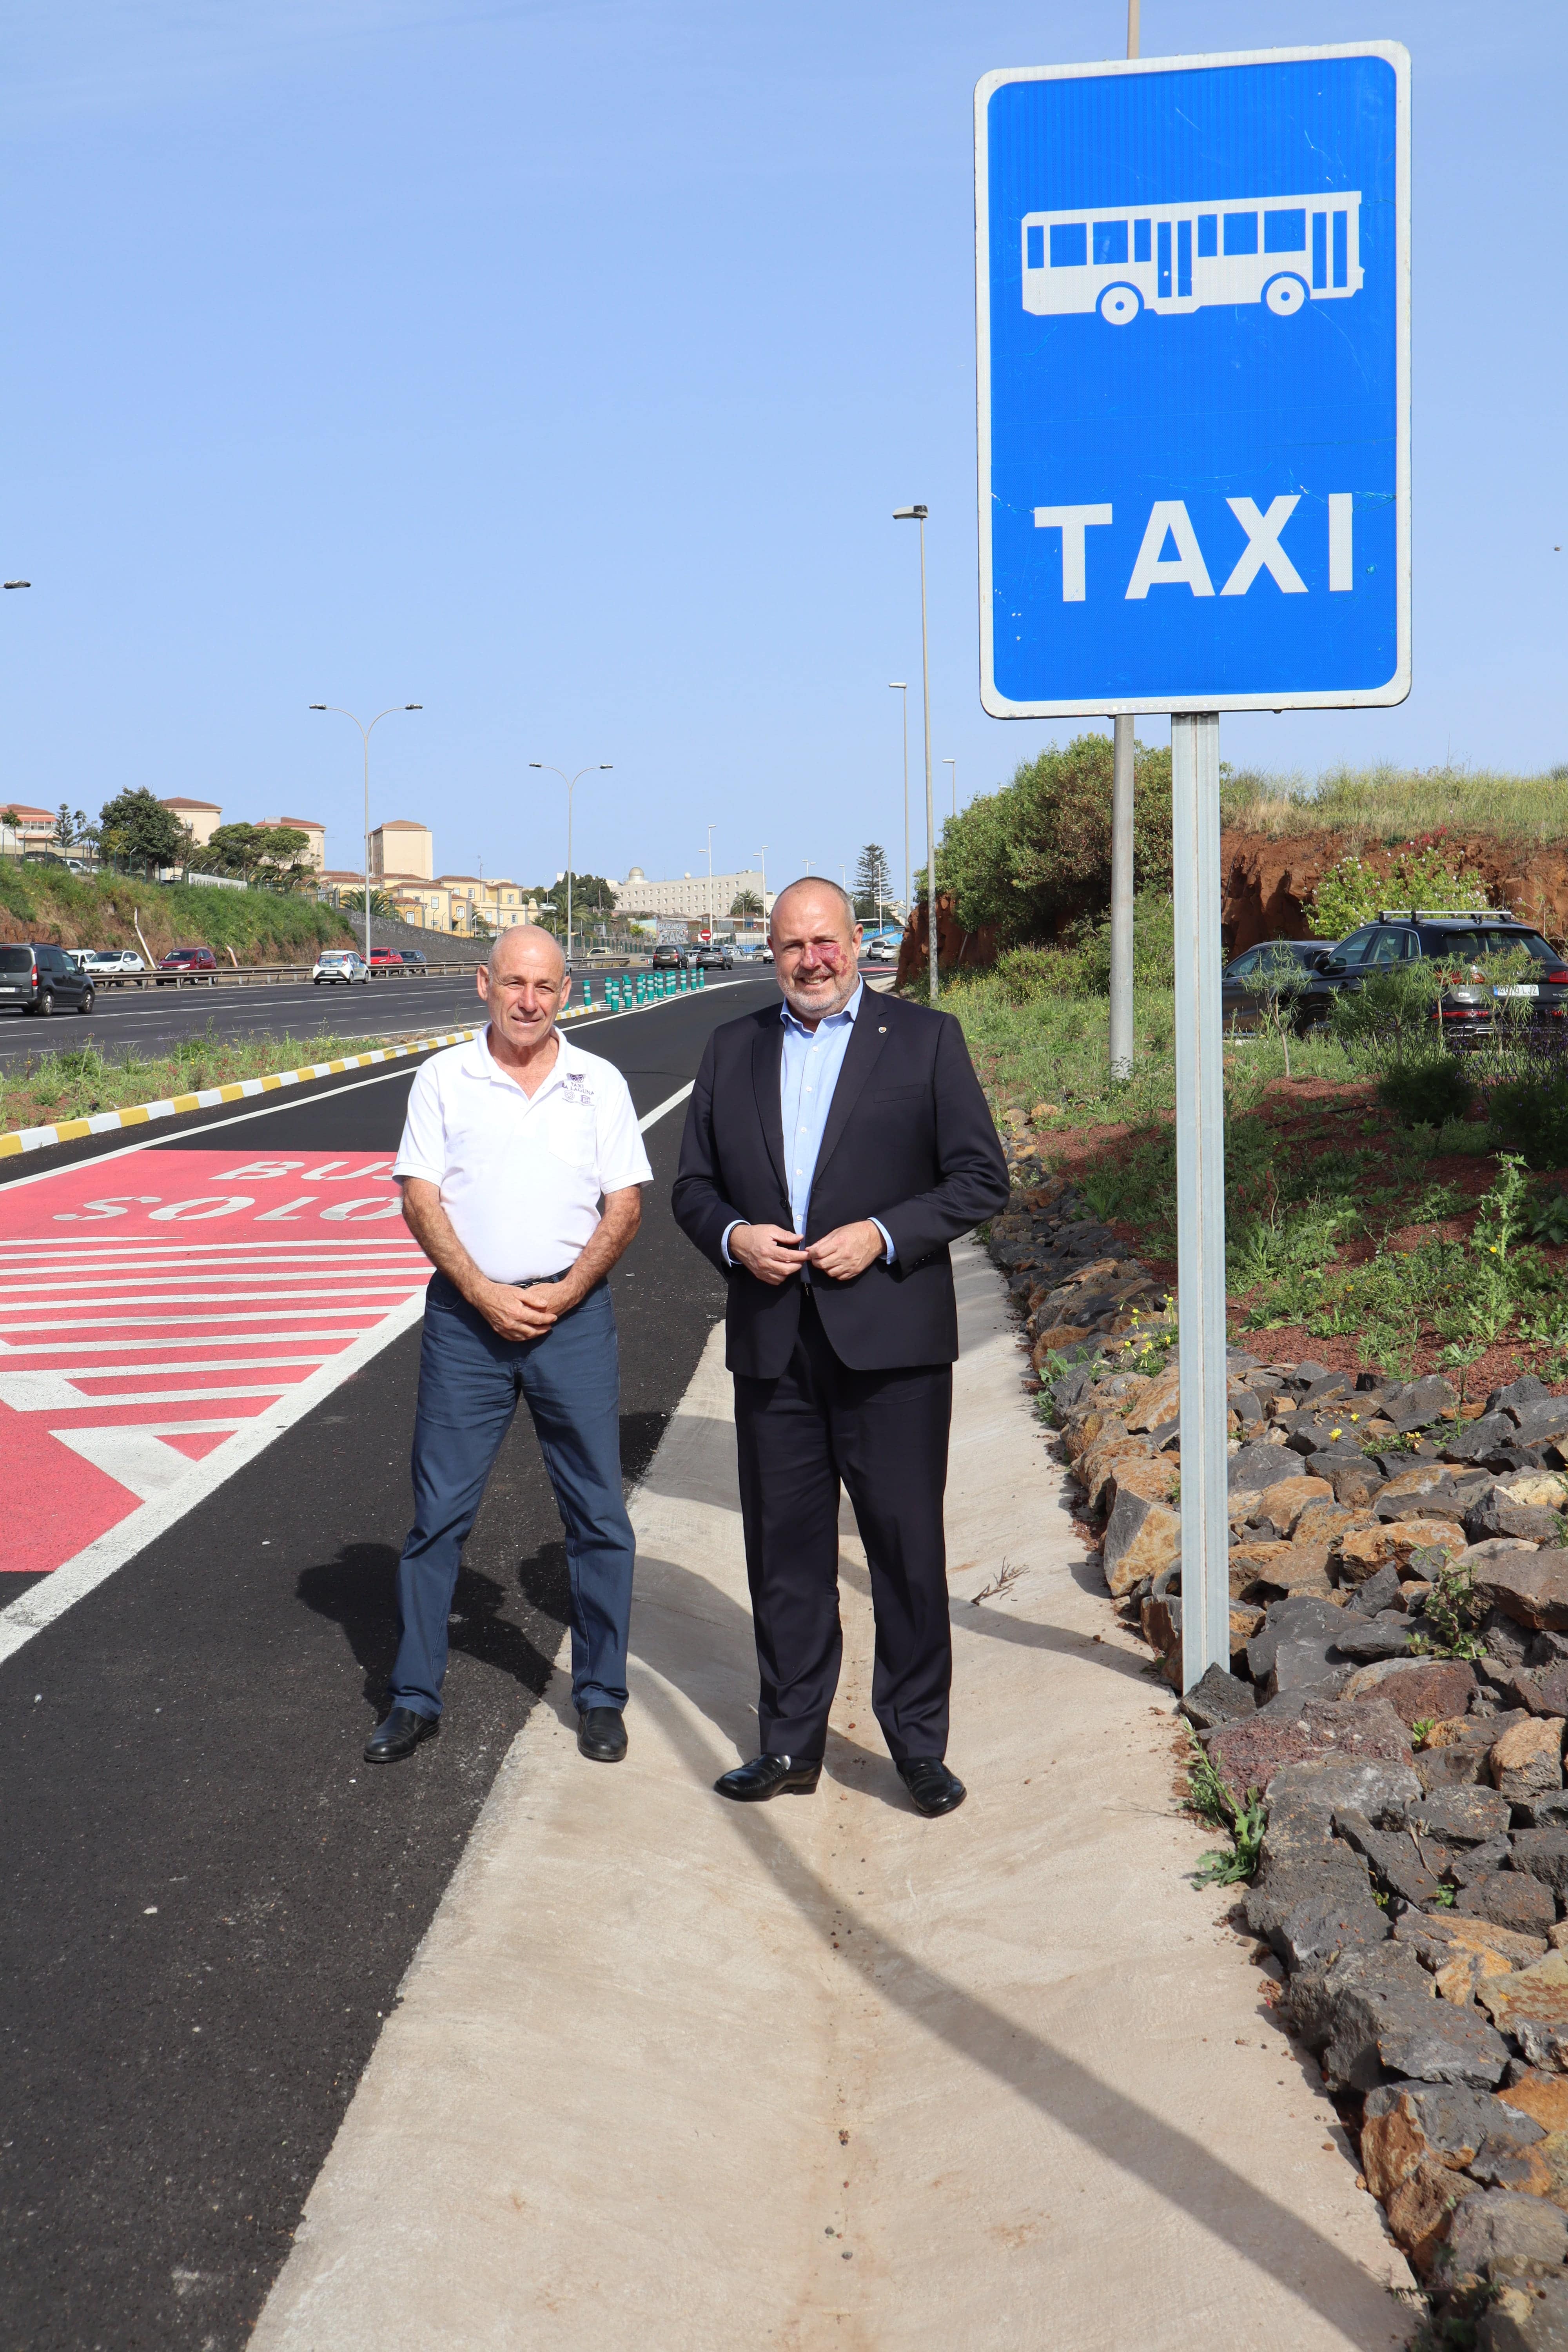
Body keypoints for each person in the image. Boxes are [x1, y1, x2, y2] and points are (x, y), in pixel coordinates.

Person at [671, 878, 1009, 1816]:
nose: (811, 962)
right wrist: (735, 1238)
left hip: (891, 1346)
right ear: (770, 954)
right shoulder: (731, 1047)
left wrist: (885, 1234)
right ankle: (788, 1744)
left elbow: (980, 1177)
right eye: (791, 947)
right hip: (774, 1346)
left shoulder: (926, 1039)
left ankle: (916, 1745)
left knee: (904, 1550)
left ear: (855, 943)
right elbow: (692, 1187)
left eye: (825, 943)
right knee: (785, 1557)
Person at [365, 924, 653, 1766]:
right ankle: (414, 1696)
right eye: (515, 984)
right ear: (484, 983)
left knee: (596, 1513)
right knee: (438, 1518)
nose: (529, 1001)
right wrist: (484, 1293)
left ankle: (600, 1695)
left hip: (573, 1317)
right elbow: (420, 1198)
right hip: (466, 1321)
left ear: (567, 993)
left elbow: (625, 1204)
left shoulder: (596, 1082)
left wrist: (563, 1294)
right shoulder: (444, 1079)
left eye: (546, 987)